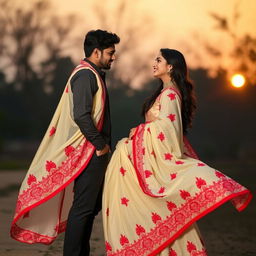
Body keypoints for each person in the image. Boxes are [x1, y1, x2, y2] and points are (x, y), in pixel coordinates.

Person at [102, 49, 252, 256]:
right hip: (146, 159)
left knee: (158, 210)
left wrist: (140, 130)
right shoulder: (164, 93)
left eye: (158, 60)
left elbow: (168, 131)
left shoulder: (171, 94)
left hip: (156, 162)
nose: (153, 63)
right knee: (158, 212)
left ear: (170, 66)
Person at [10, 29, 120, 256]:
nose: (113, 57)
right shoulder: (85, 76)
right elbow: (81, 115)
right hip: (90, 152)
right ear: (96, 52)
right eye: (110, 52)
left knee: (89, 209)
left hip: (92, 152)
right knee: (83, 209)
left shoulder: (93, 74)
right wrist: (100, 145)